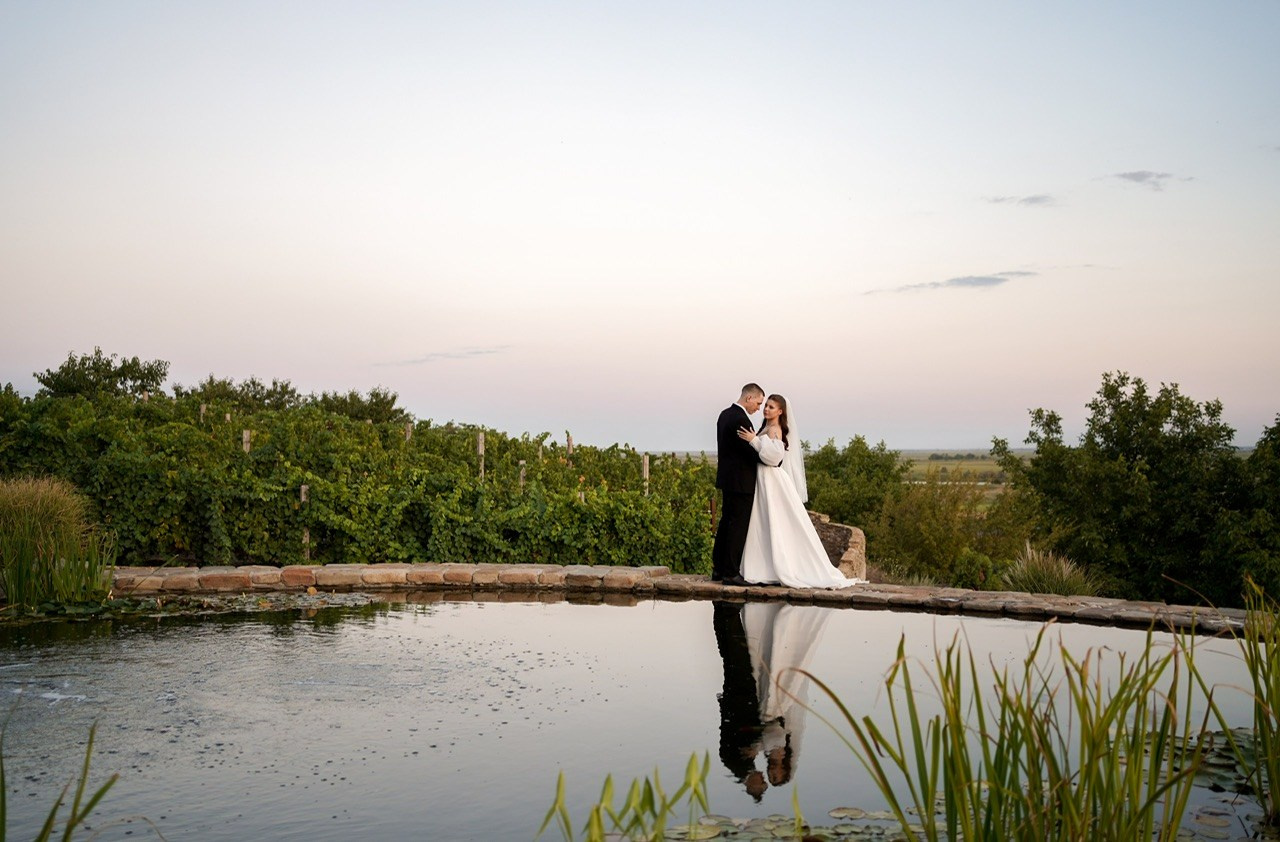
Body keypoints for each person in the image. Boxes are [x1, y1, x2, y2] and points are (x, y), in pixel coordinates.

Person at [738, 394, 864, 589]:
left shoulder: (775, 429)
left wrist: (754, 441)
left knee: (775, 522)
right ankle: (762, 568)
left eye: (771, 407)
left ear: (780, 411)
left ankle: (776, 568)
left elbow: (774, 457)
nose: (766, 409)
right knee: (764, 522)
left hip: (771, 479)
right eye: (766, 406)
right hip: (763, 479)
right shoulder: (767, 428)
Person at [712, 383, 766, 585]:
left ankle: (718, 569)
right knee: (737, 526)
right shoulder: (741, 419)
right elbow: (752, 454)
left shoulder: (724, 414)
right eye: (758, 403)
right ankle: (731, 572)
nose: (758, 408)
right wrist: (765, 450)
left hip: (727, 479)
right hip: (741, 481)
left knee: (726, 523)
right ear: (749, 398)